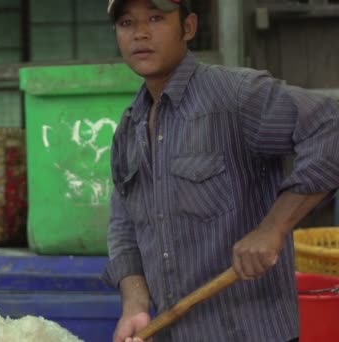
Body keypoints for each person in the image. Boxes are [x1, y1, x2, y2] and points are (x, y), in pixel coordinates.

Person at [101, 0, 339, 341]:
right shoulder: (129, 128)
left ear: (189, 27)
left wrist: (273, 228)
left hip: (251, 333)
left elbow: (332, 126)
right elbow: (124, 225)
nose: (140, 33)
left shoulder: (236, 96)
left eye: (156, 18)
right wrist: (136, 305)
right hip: (174, 333)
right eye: (126, 23)